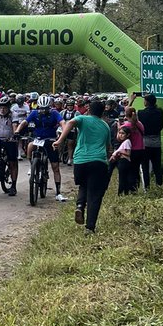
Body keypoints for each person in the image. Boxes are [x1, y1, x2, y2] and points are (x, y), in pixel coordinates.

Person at [54, 98, 112, 234]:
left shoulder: (82, 119)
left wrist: (60, 140)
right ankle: (90, 227)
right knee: (95, 194)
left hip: (80, 161)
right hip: (98, 161)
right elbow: (108, 147)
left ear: (89, 110)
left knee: (84, 185)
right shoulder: (105, 126)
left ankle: (80, 205)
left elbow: (70, 122)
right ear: (103, 112)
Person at [24, 94, 68, 201]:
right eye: (41, 108)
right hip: (38, 139)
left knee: (55, 167)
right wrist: (17, 131)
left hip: (51, 140)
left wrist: (61, 135)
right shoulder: (34, 113)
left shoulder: (54, 113)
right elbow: (24, 122)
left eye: (46, 108)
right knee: (30, 146)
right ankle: (32, 165)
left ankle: (58, 193)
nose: (43, 111)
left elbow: (63, 123)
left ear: (50, 107)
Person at [136, 93, 163, 188]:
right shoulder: (160, 111)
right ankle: (159, 185)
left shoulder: (140, 113)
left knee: (145, 167)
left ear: (146, 102)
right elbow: (161, 126)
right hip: (157, 142)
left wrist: (131, 100)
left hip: (145, 143)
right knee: (157, 166)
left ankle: (146, 187)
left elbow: (128, 112)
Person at [110, 123, 135, 195]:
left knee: (122, 178)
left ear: (127, 135)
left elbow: (128, 153)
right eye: (120, 133)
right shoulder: (124, 142)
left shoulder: (127, 142)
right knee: (123, 177)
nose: (120, 135)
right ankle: (124, 192)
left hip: (124, 161)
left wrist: (120, 151)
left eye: (123, 133)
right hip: (122, 161)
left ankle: (120, 192)